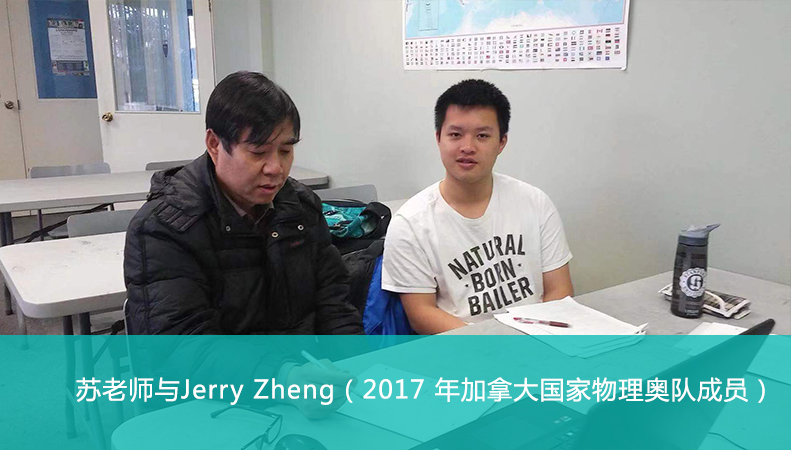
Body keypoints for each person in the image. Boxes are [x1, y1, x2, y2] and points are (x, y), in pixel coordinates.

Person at [123, 71, 362, 416]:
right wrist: (284, 378)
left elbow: (334, 302)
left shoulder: (300, 207)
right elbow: (181, 346)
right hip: (210, 404)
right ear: (214, 144)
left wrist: (352, 370)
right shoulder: (164, 228)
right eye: (258, 152)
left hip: (301, 389)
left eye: (286, 150)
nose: (275, 168)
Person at [382, 79, 574, 334]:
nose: (467, 147)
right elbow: (421, 315)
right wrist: (493, 344)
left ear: (501, 142)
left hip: (538, 340)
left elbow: (559, 290)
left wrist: (536, 340)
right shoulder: (410, 223)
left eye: (482, 136)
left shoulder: (535, 202)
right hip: (462, 345)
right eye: (455, 134)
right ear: (438, 138)